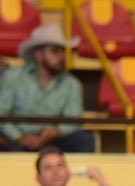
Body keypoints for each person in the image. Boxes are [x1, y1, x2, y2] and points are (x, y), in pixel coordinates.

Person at [0, 24, 94, 153]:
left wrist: (56, 131)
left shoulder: (72, 83)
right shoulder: (12, 77)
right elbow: (2, 114)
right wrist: (19, 137)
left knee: (83, 139)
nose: (62, 57)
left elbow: (74, 120)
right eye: (55, 51)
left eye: (63, 51)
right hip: (17, 138)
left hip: (54, 139)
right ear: (38, 55)